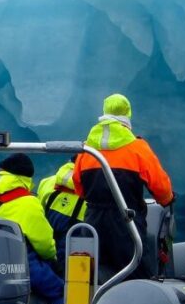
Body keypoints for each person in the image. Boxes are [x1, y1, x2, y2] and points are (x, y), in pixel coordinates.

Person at [73, 94, 173, 280]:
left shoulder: (87, 150)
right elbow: (161, 186)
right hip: (126, 221)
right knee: (137, 270)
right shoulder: (137, 148)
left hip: (93, 220)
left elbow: (78, 187)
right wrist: (167, 199)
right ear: (127, 115)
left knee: (93, 272)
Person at [0, 153, 64, 304]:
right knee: (58, 289)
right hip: (19, 263)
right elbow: (44, 243)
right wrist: (53, 260)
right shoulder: (28, 202)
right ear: (26, 177)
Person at [36, 156, 87, 264]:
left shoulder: (46, 182)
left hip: (48, 256)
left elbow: (39, 218)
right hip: (80, 257)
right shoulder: (95, 189)